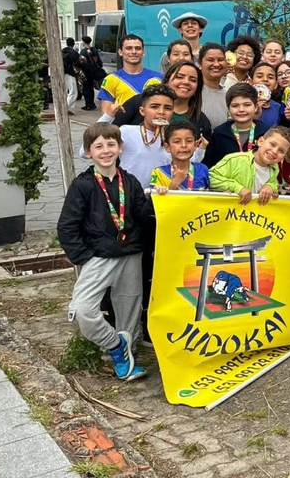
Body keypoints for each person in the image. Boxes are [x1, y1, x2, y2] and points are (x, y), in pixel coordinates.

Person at [59, 123, 154, 381]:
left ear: (120, 148)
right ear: (88, 152)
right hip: (98, 257)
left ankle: (127, 359)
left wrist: (158, 199)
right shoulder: (83, 185)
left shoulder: (130, 181)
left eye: (111, 144)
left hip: (131, 255)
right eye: (98, 146)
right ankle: (115, 346)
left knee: (129, 313)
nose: (106, 150)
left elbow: (145, 218)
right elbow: (67, 226)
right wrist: (84, 257)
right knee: (83, 310)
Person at [114, 61, 213, 143]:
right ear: (166, 80)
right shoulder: (139, 101)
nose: (186, 82)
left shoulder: (202, 122)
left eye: (193, 80)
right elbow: (110, 135)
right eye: (179, 77)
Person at [114, 84, 177, 186]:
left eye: (168, 108)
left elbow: (189, 162)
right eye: (154, 107)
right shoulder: (126, 132)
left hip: (159, 196)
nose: (161, 112)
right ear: (142, 111)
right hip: (129, 195)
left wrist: (201, 150)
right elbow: (85, 153)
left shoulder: (174, 139)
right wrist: (107, 117)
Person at [210, 127, 290, 205]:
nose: (274, 151)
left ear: (284, 156)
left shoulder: (274, 168)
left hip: (253, 215)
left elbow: (275, 184)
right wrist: (237, 188)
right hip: (230, 213)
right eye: (272, 144)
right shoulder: (234, 160)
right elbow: (211, 177)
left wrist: (270, 186)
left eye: (281, 151)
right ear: (260, 141)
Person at [203, 83, 270, 168]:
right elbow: (210, 167)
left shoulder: (266, 133)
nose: (241, 109)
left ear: (256, 107)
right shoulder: (218, 135)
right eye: (235, 106)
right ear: (228, 109)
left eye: (247, 105)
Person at [98, 35, 162, 117]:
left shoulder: (158, 77)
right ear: (120, 52)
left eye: (138, 48)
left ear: (143, 52)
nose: (134, 51)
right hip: (122, 128)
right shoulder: (111, 80)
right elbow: (106, 115)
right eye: (129, 48)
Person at [150, 122, 210, 192]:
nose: (184, 145)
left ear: (195, 145)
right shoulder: (158, 173)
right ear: (167, 147)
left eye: (189, 141)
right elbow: (153, 200)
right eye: (177, 141)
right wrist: (174, 183)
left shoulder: (203, 169)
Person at [198, 43, 229, 128]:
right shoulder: (194, 92)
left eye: (220, 60)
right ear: (200, 64)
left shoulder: (228, 94)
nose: (216, 64)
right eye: (210, 60)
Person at [251, 62, 285, 130]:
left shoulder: (279, 109)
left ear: (276, 84)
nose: (265, 79)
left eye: (270, 77)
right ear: (251, 82)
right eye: (259, 76)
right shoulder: (243, 105)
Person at [78, 35, 105, 110]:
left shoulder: (83, 51)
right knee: (91, 88)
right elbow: (99, 62)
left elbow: (82, 62)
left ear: (84, 42)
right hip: (93, 71)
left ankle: (89, 104)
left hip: (86, 72)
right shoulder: (94, 50)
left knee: (86, 88)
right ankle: (91, 103)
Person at [62, 37, 80, 111]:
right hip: (70, 73)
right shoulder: (74, 53)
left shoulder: (62, 51)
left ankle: (68, 108)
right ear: (74, 44)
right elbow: (77, 64)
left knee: (65, 91)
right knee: (73, 92)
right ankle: (65, 107)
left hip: (62, 72)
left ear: (66, 43)